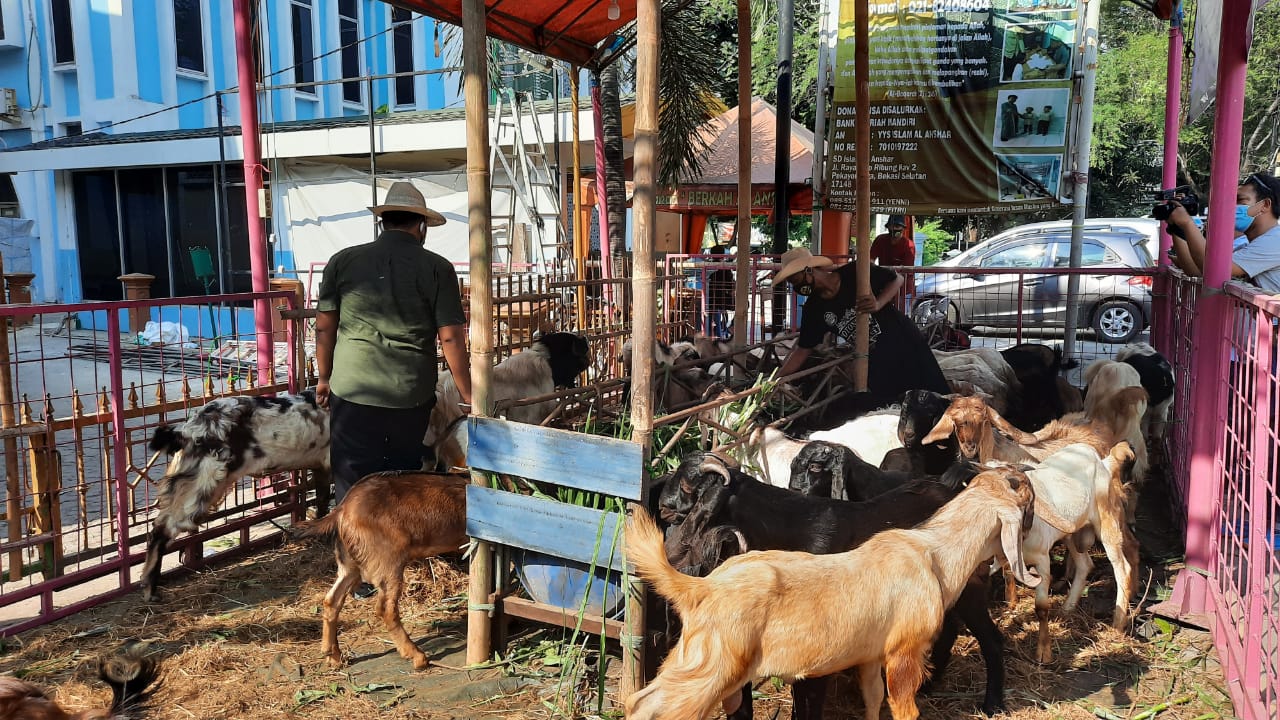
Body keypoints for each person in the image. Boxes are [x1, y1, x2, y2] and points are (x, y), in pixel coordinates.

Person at [315, 181, 472, 597]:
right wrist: (468, 392)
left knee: (352, 478)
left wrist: (324, 375)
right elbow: (451, 338)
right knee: (398, 479)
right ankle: (393, 559)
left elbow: (324, 326)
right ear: (421, 226)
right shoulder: (437, 268)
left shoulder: (342, 261)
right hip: (409, 392)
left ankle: (357, 574)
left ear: (383, 221)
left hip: (353, 389)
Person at [774, 248, 951, 410]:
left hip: (904, 340)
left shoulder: (855, 272)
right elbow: (803, 348)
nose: (796, 287)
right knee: (890, 406)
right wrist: (777, 379)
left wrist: (878, 303)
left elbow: (897, 279)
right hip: (874, 355)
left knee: (934, 395)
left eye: (795, 280)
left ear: (809, 270)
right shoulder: (814, 309)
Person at [1162, 173, 1280, 293]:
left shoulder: (1275, 241)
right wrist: (1177, 227)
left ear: (1265, 205)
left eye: (1240, 200)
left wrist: (1187, 223)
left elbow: (1215, 269)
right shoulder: (1246, 246)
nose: (1231, 207)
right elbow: (1195, 271)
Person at [870, 215, 916, 302]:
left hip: (904, 289)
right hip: (883, 286)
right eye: (891, 226)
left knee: (902, 314)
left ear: (903, 228)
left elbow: (906, 270)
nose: (894, 229)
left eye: (897, 226)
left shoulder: (909, 245)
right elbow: (870, 259)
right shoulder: (880, 240)